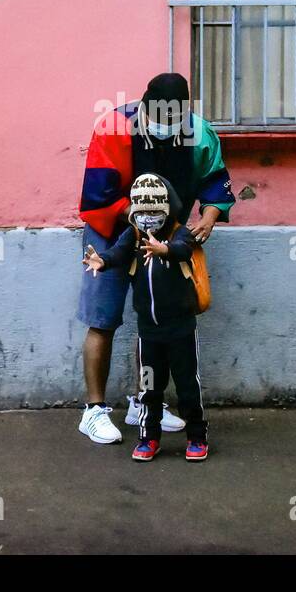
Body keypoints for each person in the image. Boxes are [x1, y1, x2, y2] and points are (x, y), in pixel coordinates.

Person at [75, 72, 235, 445]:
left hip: (165, 239)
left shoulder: (199, 132)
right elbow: (98, 194)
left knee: (154, 318)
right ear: (144, 108)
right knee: (103, 317)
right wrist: (140, 217)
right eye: (159, 121)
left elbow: (216, 180)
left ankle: (143, 404)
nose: (166, 129)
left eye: (173, 123)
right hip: (112, 231)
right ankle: (93, 410)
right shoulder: (114, 127)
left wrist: (210, 215)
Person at [82, 174, 208, 460]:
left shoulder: (179, 233)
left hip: (181, 331)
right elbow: (118, 252)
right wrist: (102, 261)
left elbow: (184, 250)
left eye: (154, 212)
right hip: (148, 333)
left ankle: (197, 436)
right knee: (149, 389)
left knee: (188, 385)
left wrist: (165, 249)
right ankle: (149, 437)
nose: (148, 218)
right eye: (142, 212)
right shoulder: (134, 235)